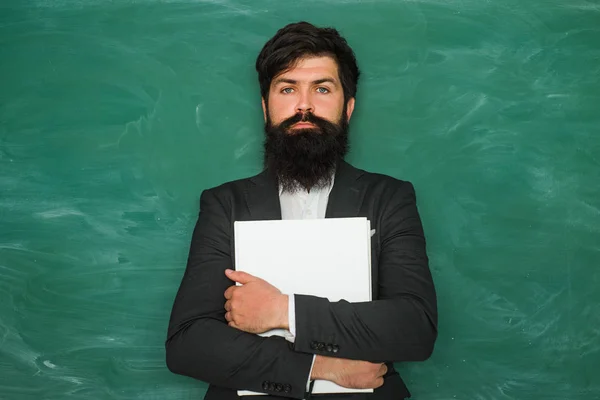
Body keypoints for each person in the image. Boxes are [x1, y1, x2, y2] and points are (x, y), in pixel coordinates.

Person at [165, 21, 438, 400]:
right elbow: (188, 342)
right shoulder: (224, 204)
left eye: (322, 89)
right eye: (287, 88)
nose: (304, 105)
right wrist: (320, 368)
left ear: (348, 108)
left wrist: (283, 310)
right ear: (266, 107)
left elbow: (414, 328)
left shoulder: (389, 198)